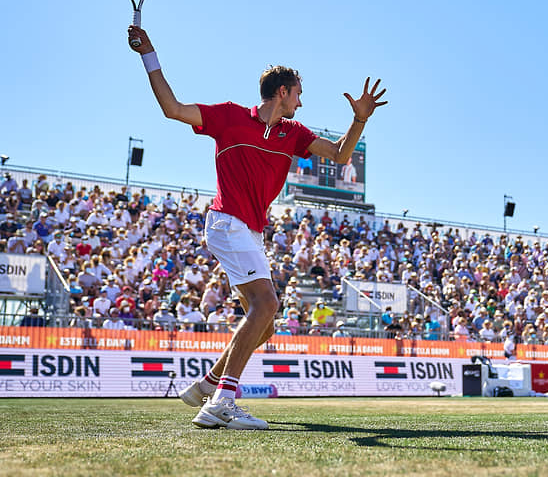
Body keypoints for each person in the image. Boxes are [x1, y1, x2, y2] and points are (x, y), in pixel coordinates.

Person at [128, 25, 387, 429]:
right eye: (298, 93)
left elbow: (340, 154)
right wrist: (150, 55)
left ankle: (209, 384)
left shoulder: (294, 133)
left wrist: (359, 120)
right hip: (227, 220)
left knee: (264, 322)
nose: (301, 103)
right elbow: (173, 108)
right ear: (281, 91)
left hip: (249, 230)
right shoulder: (230, 117)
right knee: (267, 305)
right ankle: (219, 403)